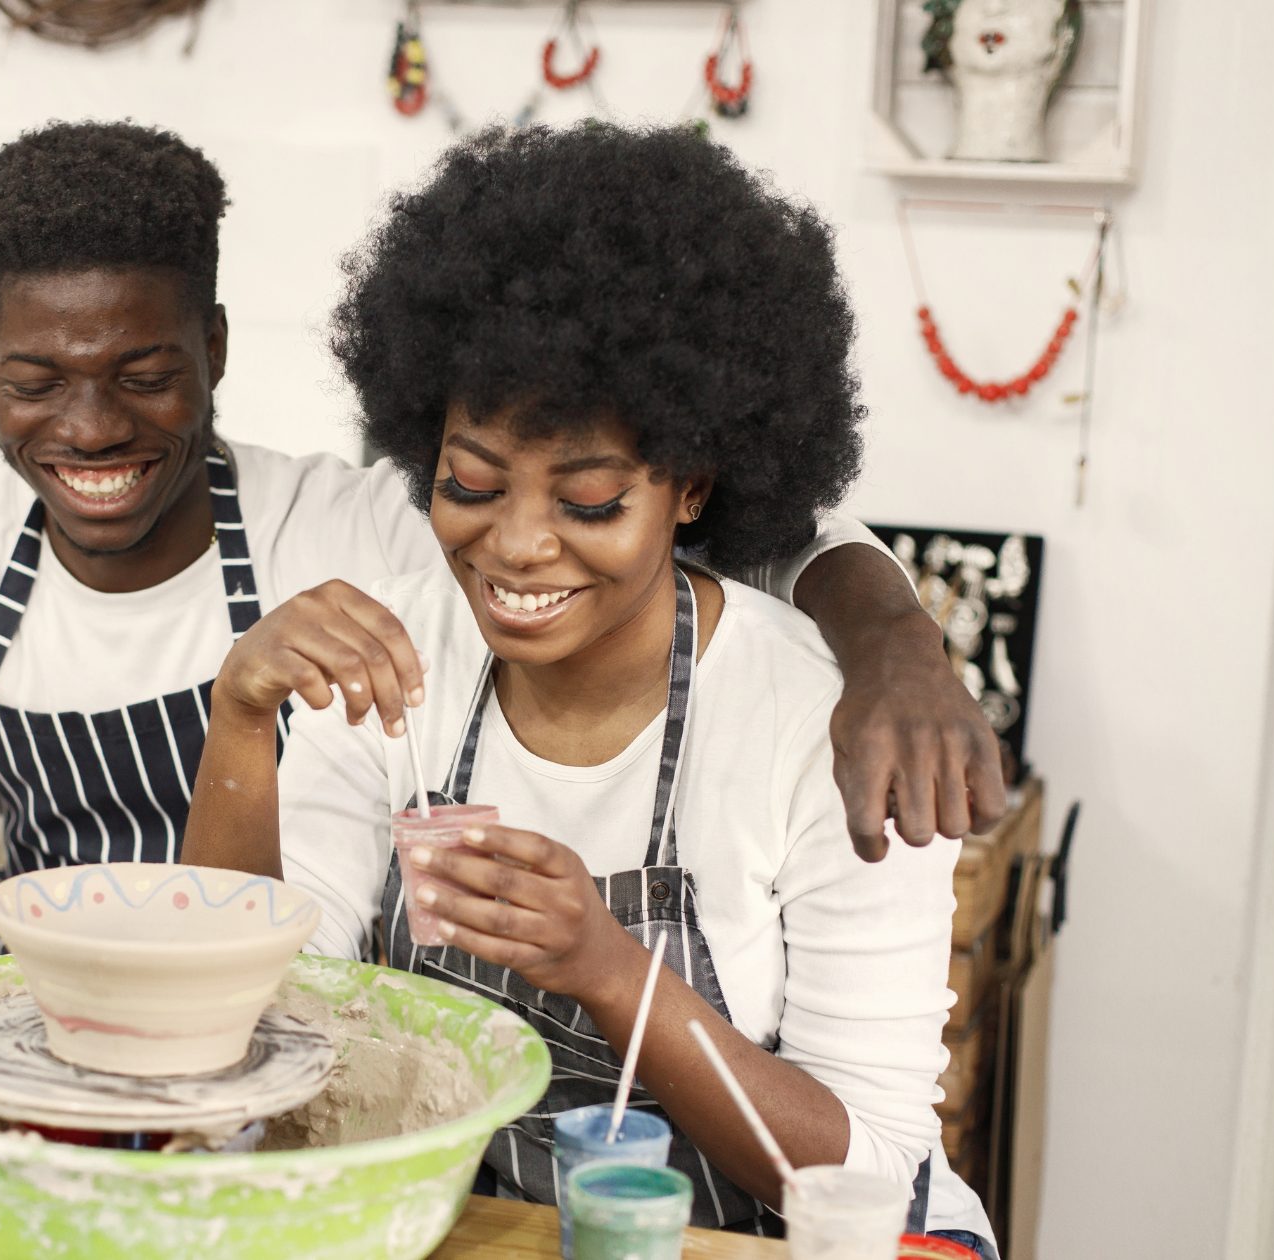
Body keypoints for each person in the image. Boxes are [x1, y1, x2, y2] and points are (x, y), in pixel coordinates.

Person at [0, 120, 1001, 1094]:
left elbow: (688, 521)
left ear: (217, 349)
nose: (90, 427)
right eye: (36, 379)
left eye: (143, 371)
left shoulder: (355, 533)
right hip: (46, 1007)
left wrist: (887, 636)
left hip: (294, 1037)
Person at [182, 123, 996, 1255]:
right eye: (470, 483)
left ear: (691, 488)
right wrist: (240, 717)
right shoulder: (391, 662)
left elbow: (869, 1173)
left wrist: (608, 972)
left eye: (590, 502)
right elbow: (248, 1029)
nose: (516, 547)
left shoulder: (827, 729)